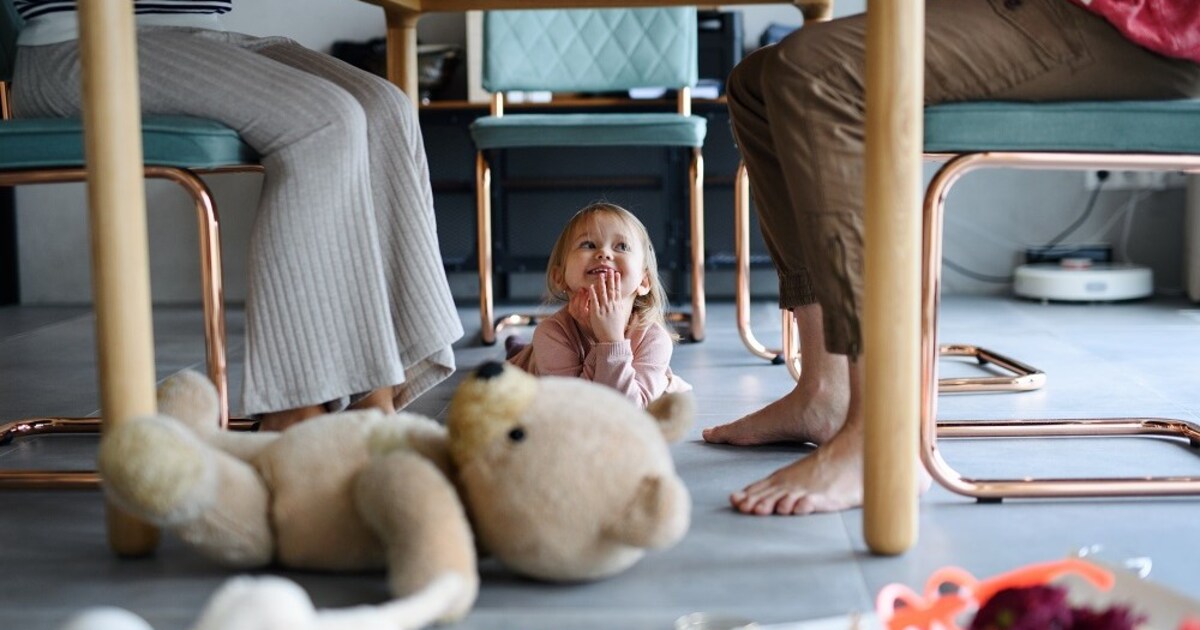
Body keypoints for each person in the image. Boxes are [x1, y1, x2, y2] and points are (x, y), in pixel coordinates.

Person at [703, 0, 1200, 515]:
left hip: (1139, 29)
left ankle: (884, 434)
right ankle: (825, 390)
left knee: (815, 73)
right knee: (756, 82)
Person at [10, 1, 464, 431]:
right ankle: (293, 413)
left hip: (198, 36)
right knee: (325, 121)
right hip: (79, 42)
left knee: (387, 107)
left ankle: (376, 402)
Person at [506, 202, 691, 408]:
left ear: (644, 281)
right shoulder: (551, 334)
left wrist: (610, 341)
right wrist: (601, 340)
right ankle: (520, 351)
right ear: (560, 277)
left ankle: (518, 348)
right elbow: (575, 410)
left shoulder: (654, 340)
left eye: (622, 246)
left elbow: (627, 412)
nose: (604, 253)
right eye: (588, 245)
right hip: (541, 368)